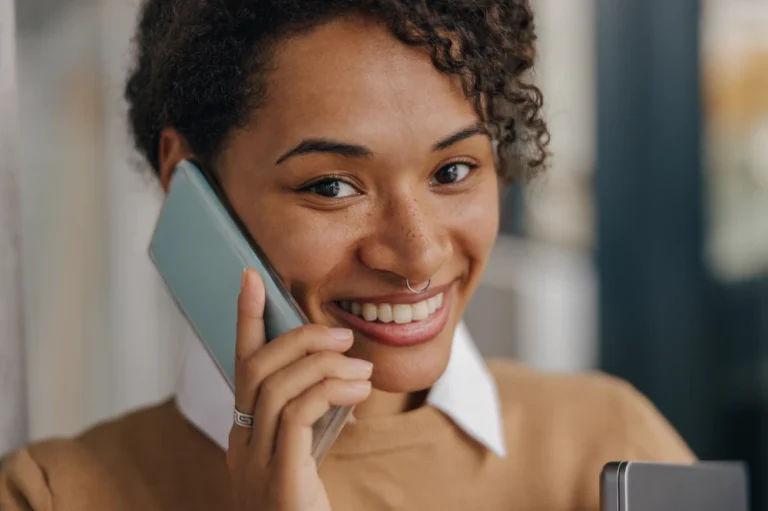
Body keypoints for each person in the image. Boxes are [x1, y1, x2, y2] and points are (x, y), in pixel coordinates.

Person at [0, 1, 695, 510]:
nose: (417, 253)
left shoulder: (612, 445)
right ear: (187, 175)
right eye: (332, 185)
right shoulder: (54, 494)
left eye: (453, 171)